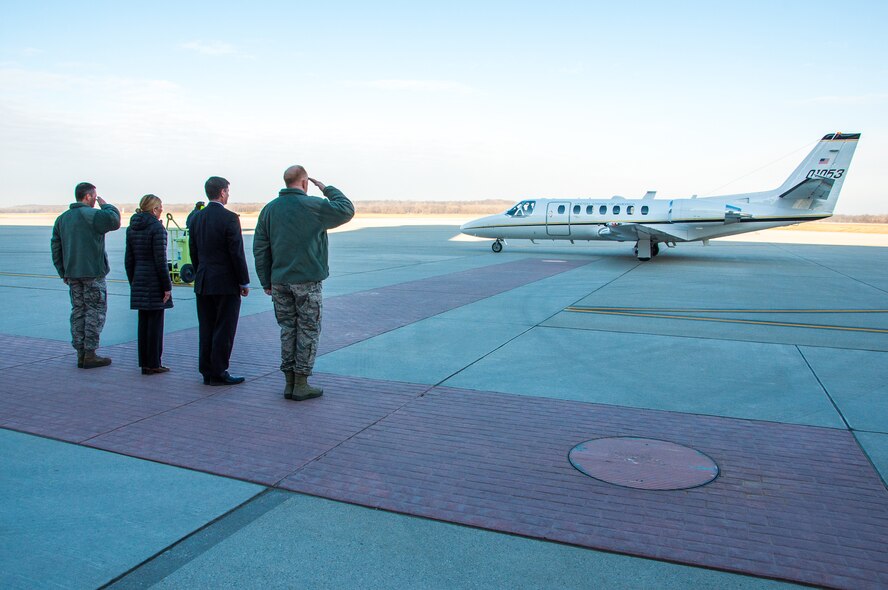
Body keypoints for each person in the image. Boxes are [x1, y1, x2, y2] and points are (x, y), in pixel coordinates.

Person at [253, 165, 354, 400]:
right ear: (305, 182)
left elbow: (260, 247)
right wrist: (327, 189)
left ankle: (289, 382)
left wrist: (265, 280)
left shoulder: (269, 210)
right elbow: (346, 210)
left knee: (288, 330)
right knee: (308, 330)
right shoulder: (313, 206)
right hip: (307, 280)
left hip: (279, 281)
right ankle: (301, 383)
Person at [51, 182, 121, 368]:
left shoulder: (62, 219)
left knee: (78, 311)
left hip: (72, 274)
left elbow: (55, 248)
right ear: (89, 197)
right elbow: (114, 221)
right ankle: (90, 353)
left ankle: (80, 352)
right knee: (94, 312)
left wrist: (63, 272)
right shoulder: (93, 215)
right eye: (94, 196)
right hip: (92, 273)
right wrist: (106, 205)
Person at [188, 176, 250, 385]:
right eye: (228, 191)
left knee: (206, 327)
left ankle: (207, 371)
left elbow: (193, 251)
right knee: (224, 327)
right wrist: (243, 281)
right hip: (225, 282)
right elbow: (236, 253)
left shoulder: (196, 218)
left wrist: (200, 273)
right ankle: (219, 370)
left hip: (204, 281)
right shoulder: (230, 218)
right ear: (222, 192)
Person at [124, 194, 173, 374]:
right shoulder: (156, 229)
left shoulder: (132, 228)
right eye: (160, 208)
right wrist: (167, 286)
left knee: (143, 323)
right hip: (154, 281)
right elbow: (160, 261)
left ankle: (144, 361)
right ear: (154, 209)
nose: (161, 211)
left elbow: (128, 260)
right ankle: (154, 363)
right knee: (155, 324)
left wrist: (134, 281)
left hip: (139, 278)